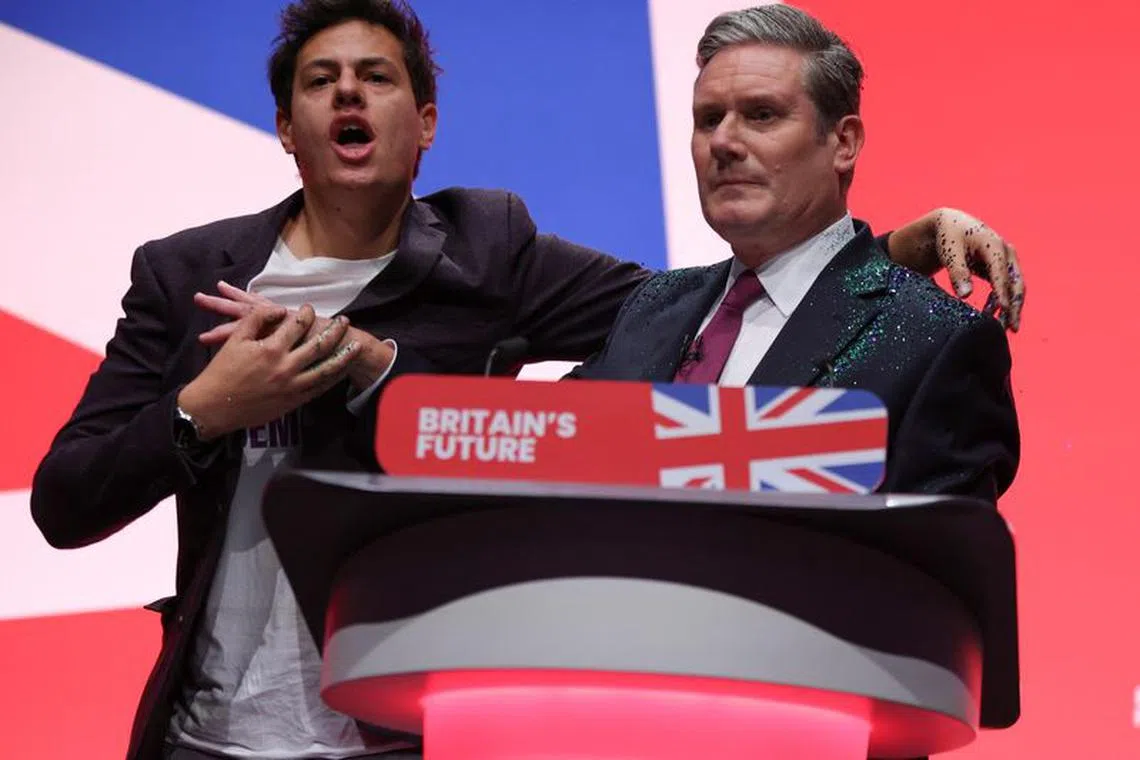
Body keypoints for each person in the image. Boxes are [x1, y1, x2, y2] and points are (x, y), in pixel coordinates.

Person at [30, 1, 1023, 759]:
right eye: (319, 79)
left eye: (373, 76)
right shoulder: (185, 274)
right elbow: (69, 500)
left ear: (426, 123)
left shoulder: (489, 252)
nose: (345, 95)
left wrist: (888, 256)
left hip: (400, 730)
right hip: (209, 728)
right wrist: (207, 408)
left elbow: (777, 301)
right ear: (283, 125)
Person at [573, 4, 1019, 503]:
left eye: (762, 115)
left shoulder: (937, 341)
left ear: (843, 143)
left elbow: (938, 567)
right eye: (708, 119)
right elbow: (543, 467)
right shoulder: (651, 307)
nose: (723, 141)